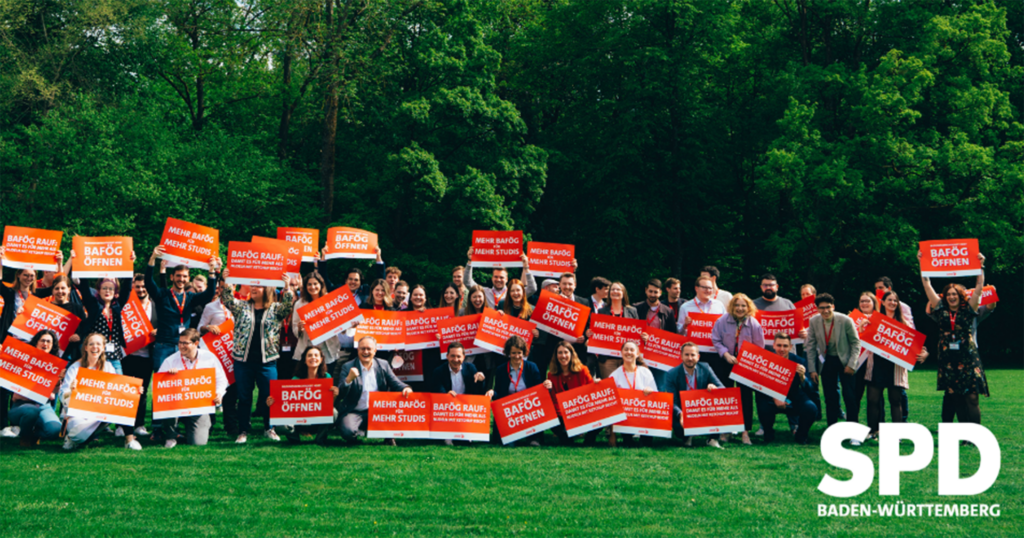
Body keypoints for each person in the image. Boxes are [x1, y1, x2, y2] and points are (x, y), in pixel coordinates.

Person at [220, 269, 295, 444]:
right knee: (244, 397)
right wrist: (226, 281)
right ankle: (243, 430)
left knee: (269, 396)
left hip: (267, 361)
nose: (254, 288)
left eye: (258, 286)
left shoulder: (275, 309)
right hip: (243, 361)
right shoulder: (241, 306)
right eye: (252, 285)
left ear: (267, 289)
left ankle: (269, 428)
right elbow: (228, 300)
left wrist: (287, 286)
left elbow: (288, 306)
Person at [921, 252, 988, 425]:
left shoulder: (969, 308)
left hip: (968, 357)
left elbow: (979, 286)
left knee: (972, 397)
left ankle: (975, 435)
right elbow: (927, 285)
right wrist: (922, 263)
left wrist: (980, 266)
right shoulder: (940, 309)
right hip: (948, 358)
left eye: (955, 294)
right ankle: (964, 434)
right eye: (948, 294)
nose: (951, 297)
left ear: (960, 295)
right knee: (956, 397)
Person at [145, 245, 221, 375]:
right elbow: (148, 282)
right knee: (162, 381)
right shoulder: (162, 294)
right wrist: (153, 259)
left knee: (183, 382)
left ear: (188, 279)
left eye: (185, 276)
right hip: (164, 345)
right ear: (172, 277)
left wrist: (212, 270)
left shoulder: (190, 297)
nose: (181, 279)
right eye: (178, 276)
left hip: (185, 346)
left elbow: (209, 294)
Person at [863, 291, 928, 441]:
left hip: (895, 366)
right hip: (877, 364)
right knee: (873, 400)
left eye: (895, 300)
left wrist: (925, 353)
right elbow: (863, 338)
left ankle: (896, 434)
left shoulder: (904, 322)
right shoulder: (874, 319)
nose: (892, 303)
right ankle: (872, 431)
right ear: (883, 302)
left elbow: (915, 345)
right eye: (889, 300)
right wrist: (862, 327)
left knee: (895, 401)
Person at [60, 333, 142, 450]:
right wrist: (71, 392)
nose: (95, 347)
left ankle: (129, 440)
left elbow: (119, 391)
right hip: (77, 414)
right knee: (79, 435)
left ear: (103, 348)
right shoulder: (75, 368)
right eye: (91, 344)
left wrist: (134, 390)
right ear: (86, 348)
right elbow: (62, 394)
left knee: (125, 402)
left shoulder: (108, 367)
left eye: (98, 344)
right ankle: (73, 438)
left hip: (99, 412)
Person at [157, 329, 229, 448]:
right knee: (166, 404)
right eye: (180, 342)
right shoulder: (170, 361)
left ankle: (196, 428)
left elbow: (222, 380)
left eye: (185, 343)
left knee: (198, 442)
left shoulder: (209, 358)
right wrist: (168, 377)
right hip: (177, 404)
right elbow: (158, 387)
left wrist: (219, 394)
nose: (181, 346)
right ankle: (171, 436)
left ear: (196, 343)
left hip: (198, 405)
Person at [336, 336, 412, 445]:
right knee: (347, 432)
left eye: (369, 349)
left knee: (395, 412)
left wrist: (406, 388)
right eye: (362, 348)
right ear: (357, 350)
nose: (365, 352)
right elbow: (341, 394)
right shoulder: (347, 367)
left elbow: (396, 383)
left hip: (378, 411)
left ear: (375, 351)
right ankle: (357, 434)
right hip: (354, 411)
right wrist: (349, 380)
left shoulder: (383, 364)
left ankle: (388, 437)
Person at [709, 293, 764, 444]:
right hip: (725, 362)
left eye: (743, 305)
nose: (740, 309)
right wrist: (725, 355)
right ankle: (725, 430)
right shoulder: (722, 321)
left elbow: (759, 346)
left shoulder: (754, 324)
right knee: (726, 396)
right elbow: (716, 339)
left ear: (748, 307)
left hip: (745, 365)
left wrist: (747, 360)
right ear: (732, 307)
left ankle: (745, 431)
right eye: (737, 305)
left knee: (745, 396)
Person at [803, 293, 860, 428]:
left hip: (845, 361)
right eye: (822, 308)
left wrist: (851, 364)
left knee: (849, 396)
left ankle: (853, 430)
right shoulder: (814, 321)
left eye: (828, 307)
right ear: (817, 309)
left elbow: (856, 343)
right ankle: (832, 428)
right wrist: (812, 369)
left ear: (833, 306)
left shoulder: (845, 320)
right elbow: (810, 346)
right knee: (830, 397)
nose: (825, 311)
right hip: (827, 361)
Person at [266, 346, 340, 444]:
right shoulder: (296, 379)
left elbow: (328, 404)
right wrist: (272, 402)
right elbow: (287, 403)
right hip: (299, 420)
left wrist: (334, 396)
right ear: (305, 360)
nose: (313, 358)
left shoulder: (326, 377)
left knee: (333, 412)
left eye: (316, 355)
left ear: (321, 360)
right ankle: (294, 439)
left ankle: (320, 439)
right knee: (281, 424)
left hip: (317, 419)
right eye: (309, 355)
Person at [755, 333, 818, 444]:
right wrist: (775, 397)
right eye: (779, 345)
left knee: (811, 408)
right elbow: (760, 385)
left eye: (785, 346)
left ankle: (801, 435)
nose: (782, 349)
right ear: (773, 346)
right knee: (761, 401)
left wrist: (803, 377)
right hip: (771, 396)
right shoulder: (766, 360)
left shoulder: (799, 361)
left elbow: (811, 389)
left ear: (790, 347)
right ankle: (768, 433)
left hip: (793, 395)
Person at [7, 330, 64, 447]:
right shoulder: (24, 362)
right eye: (42, 340)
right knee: (31, 411)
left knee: (55, 430)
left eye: (49, 341)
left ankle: (35, 433)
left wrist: (58, 382)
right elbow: (16, 396)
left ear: (52, 346)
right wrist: (40, 394)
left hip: (44, 406)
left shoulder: (54, 365)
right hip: (22, 406)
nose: (45, 344)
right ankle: (25, 436)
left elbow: (53, 394)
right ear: (36, 343)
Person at [428, 342, 491, 445]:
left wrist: (481, 381)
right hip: (448, 409)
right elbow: (437, 391)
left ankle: (466, 434)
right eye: (452, 356)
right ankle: (447, 436)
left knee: (465, 441)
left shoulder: (471, 368)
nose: (456, 360)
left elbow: (478, 394)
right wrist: (446, 394)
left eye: (458, 356)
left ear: (464, 357)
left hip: (465, 410)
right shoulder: (438, 371)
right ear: (447, 356)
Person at [665, 342, 724, 449]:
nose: (690, 358)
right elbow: (671, 400)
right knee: (679, 429)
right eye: (686, 355)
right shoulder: (672, 374)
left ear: (698, 357)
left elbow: (723, 389)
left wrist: (714, 388)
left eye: (693, 355)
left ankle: (713, 439)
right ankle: (687, 436)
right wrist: (680, 414)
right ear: (681, 356)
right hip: (683, 411)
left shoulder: (705, 368)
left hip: (703, 410)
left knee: (719, 408)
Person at [491, 335, 545, 446]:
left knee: (533, 444)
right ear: (508, 353)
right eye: (513, 353)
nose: (516, 356)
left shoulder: (532, 367)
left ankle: (533, 437)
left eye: (519, 353)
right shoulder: (501, 369)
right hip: (509, 411)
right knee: (508, 444)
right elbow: (499, 393)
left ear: (524, 353)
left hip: (528, 408)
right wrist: (492, 392)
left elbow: (538, 390)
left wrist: (546, 385)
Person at [542, 341, 598, 445]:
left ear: (571, 354)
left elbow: (592, 390)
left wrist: (597, 384)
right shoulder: (551, 375)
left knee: (603, 411)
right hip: (562, 412)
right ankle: (566, 437)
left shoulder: (583, 370)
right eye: (560, 353)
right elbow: (554, 401)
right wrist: (547, 388)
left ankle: (589, 439)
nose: (563, 356)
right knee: (547, 415)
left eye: (566, 352)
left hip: (583, 410)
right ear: (556, 356)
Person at [607, 341, 658, 447]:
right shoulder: (614, 375)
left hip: (644, 417)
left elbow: (657, 399)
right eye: (626, 350)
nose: (628, 352)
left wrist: (650, 391)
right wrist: (612, 435)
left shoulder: (645, 372)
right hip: (625, 419)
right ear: (621, 353)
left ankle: (643, 436)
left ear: (638, 354)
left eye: (632, 350)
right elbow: (611, 407)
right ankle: (628, 437)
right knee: (628, 444)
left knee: (646, 445)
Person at [633, 278, 676, 391]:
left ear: (660, 292)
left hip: (659, 355)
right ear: (646, 291)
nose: (653, 294)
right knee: (639, 385)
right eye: (650, 291)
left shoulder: (668, 311)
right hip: (639, 353)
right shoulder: (636, 308)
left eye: (655, 292)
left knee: (660, 386)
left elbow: (673, 335)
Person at [591, 281, 638, 379]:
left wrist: (643, 336)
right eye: (612, 289)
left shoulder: (632, 311)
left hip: (626, 358)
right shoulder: (601, 312)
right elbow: (597, 333)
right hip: (607, 360)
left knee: (626, 388)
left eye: (618, 289)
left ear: (623, 293)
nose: (615, 291)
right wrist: (590, 333)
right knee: (610, 388)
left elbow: (637, 333)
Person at [464, 249, 537, 309]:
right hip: (489, 325)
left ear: (506, 279)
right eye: (496, 277)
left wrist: (526, 268)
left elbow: (532, 288)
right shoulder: (484, 292)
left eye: (501, 277)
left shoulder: (513, 293)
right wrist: (470, 262)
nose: (498, 280)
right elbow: (467, 282)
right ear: (492, 278)